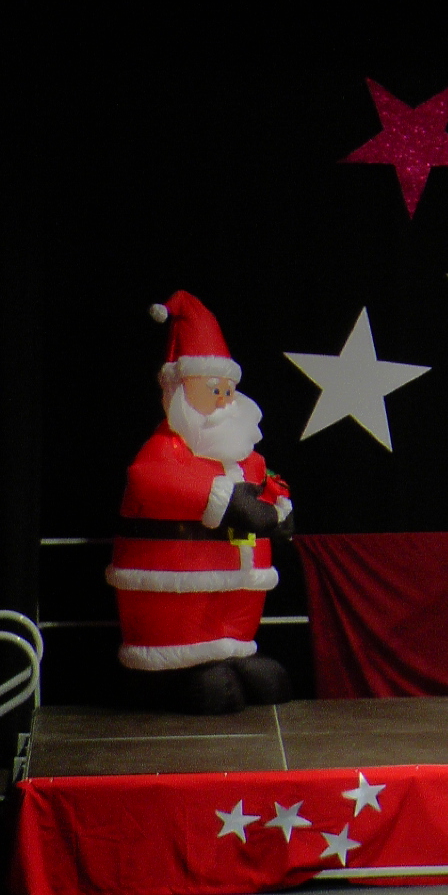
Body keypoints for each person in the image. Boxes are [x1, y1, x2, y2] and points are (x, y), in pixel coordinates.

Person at [111, 290, 295, 715]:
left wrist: (280, 510)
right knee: (207, 684)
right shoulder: (165, 449)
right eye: (214, 390)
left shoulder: (243, 455)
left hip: (234, 595)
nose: (226, 401)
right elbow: (150, 480)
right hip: (174, 594)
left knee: (254, 676)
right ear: (179, 391)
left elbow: (268, 481)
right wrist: (225, 501)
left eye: (229, 390)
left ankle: (230, 653)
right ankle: (178, 672)